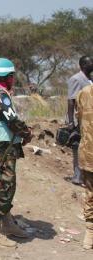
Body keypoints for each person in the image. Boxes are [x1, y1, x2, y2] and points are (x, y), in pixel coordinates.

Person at [0, 58, 33, 247]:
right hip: (2, 147)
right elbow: (13, 121)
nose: (13, 79)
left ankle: (7, 223)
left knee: (6, 185)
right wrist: (27, 133)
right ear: (7, 76)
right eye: (12, 76)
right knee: (2, 186)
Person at [66, 56, 93, 186]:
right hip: (80, 120)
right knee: (79, 147)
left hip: (90, 120)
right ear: (83, 64)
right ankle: (78, 177)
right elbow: (71, 101)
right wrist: (71, 122)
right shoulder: (76, 79)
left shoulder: (90, 79)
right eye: (90, 62)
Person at [76, 82, 93, 250]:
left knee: (90, 194)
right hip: (90, 153)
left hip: (89, 152)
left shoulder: (84, 93)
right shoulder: (84, 93)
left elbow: (79, 118)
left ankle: (90, 233)